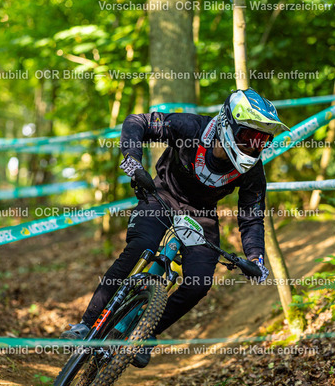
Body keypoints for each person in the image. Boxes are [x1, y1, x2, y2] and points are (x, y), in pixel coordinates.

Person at [60, 88, 289, 368]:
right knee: (141, 246)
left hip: (202, 215)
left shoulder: (253, 170)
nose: (253, 147)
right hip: (163, 195)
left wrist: (255, 258)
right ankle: (86, 324)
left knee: (199, 284)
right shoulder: (192, 128)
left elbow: (251, 216)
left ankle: (144, 333)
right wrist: (133, 163)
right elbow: (137, 122)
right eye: (248, 137)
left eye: (262, 141)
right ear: (228, 125)